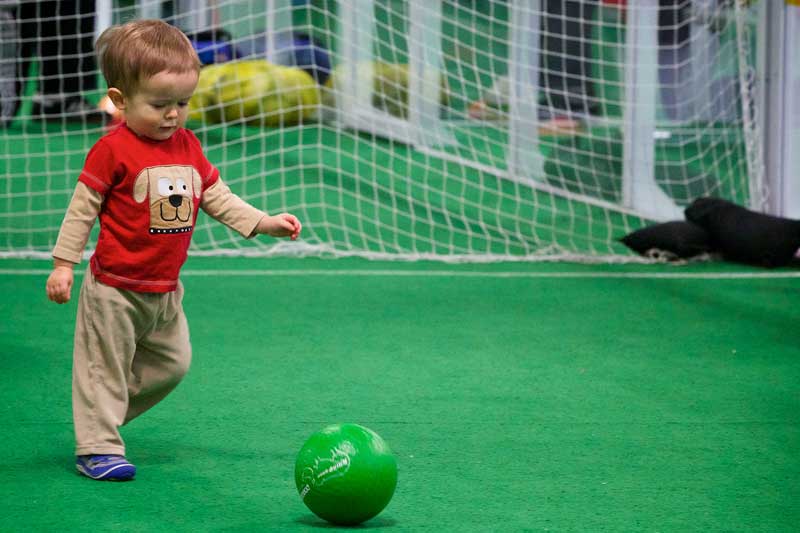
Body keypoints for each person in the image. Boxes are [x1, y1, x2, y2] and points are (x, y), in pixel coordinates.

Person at [45, 19, 302, 481]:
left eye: (182, 103)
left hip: (165, 290)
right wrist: (64, 265)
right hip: (115, 289)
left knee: (172, 363)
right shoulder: (112, 150)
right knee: (104, 366)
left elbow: (216, 195)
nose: (173, 115)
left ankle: (100, 415)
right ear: (120, 101)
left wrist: (262, 223)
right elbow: (81, 210)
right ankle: (98, 446)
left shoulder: (186, 143)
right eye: (160, 104)